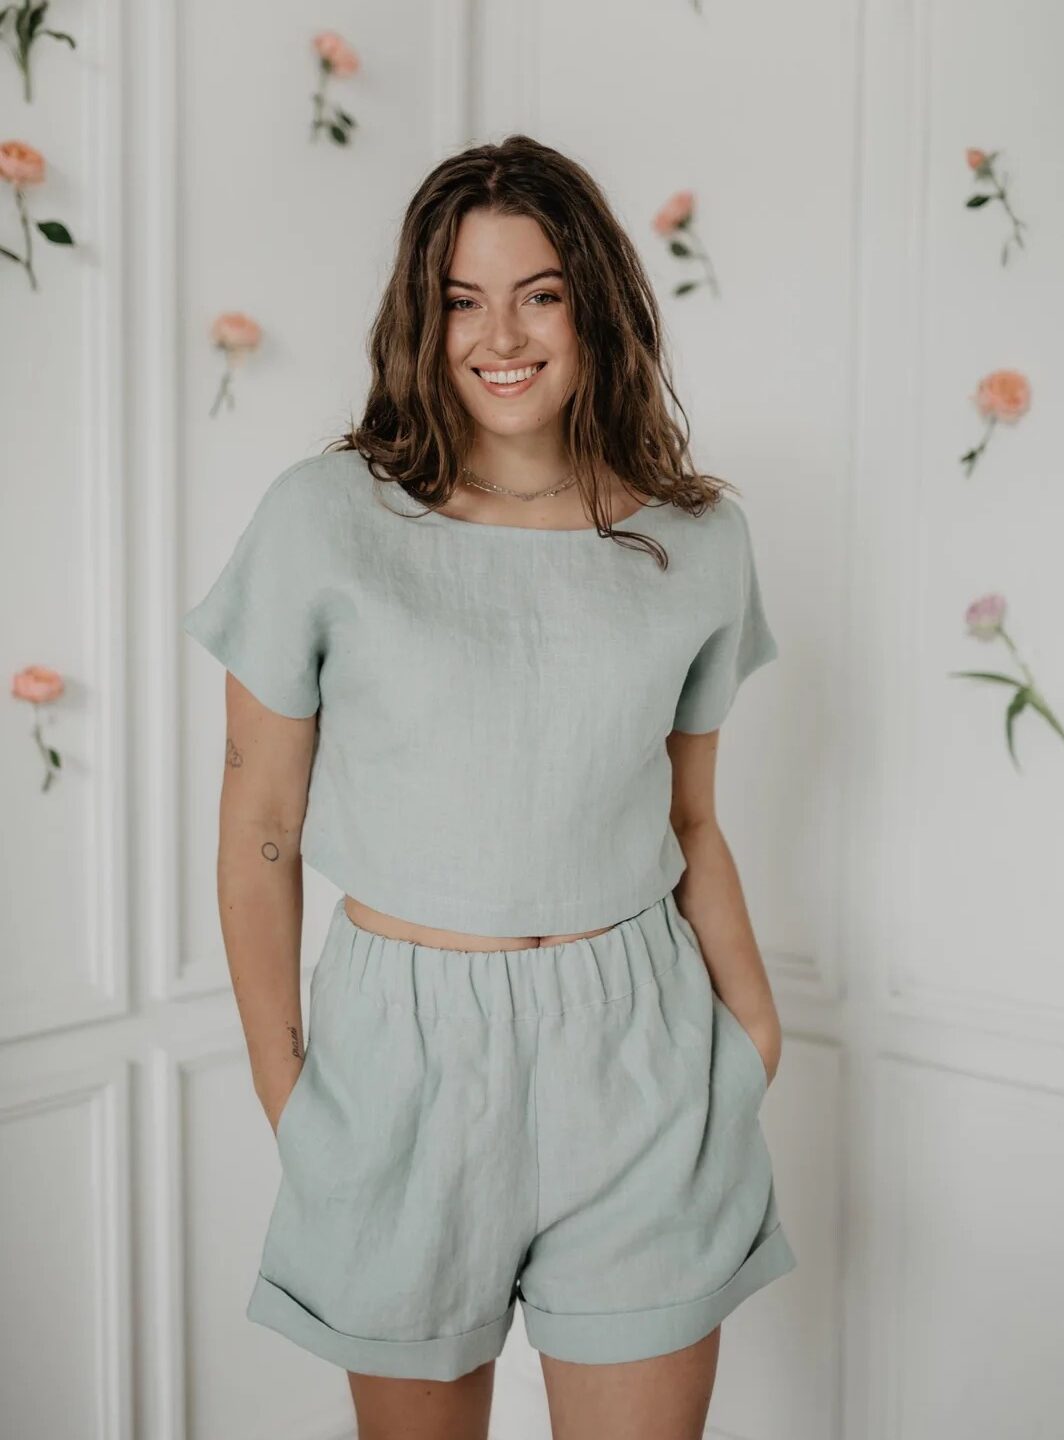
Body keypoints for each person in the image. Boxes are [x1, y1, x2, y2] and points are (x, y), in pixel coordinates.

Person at [182, 133, 796, 1440]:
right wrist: (286, 1085)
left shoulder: (697, 539)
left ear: (598, 306)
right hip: (398, 1061)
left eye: (540, 292)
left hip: (637, 1048)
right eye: (462, 298)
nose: (499, 334)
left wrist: (751, 1034)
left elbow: (693, 819)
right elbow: (262, 826)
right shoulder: (324, 519)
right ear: (423, 316)